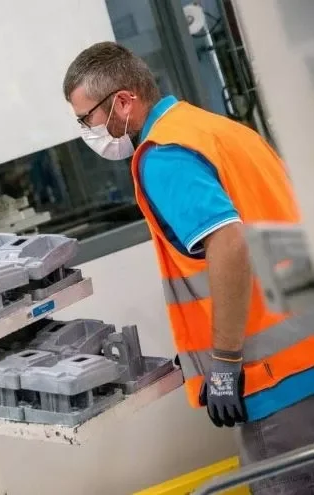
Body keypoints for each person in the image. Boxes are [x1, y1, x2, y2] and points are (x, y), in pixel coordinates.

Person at [62, 41, 314, 494]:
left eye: (87, 119)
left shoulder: (165, 155)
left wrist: (225, 361)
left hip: (275, 381)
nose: (87, 131)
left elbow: (230, 244)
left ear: (123, 101)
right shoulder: (220, 131)